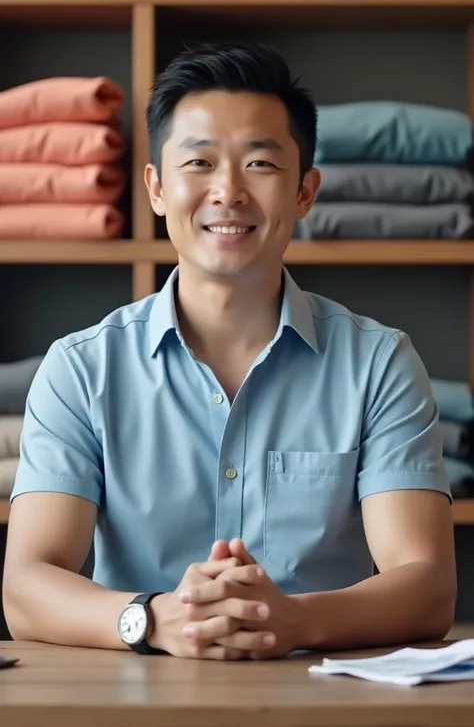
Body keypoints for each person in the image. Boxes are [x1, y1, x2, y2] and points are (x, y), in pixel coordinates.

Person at [3, 43, 456, 661]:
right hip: (128, 703)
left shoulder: (379, 364)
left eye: (261, 164)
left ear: (305, 192)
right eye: (198, 161)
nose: (228, 191)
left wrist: (293, 621)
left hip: (327, 704)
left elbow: (427, 585)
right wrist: (154, 618)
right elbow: (26, 587)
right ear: (157, 189)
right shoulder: (81, 369)